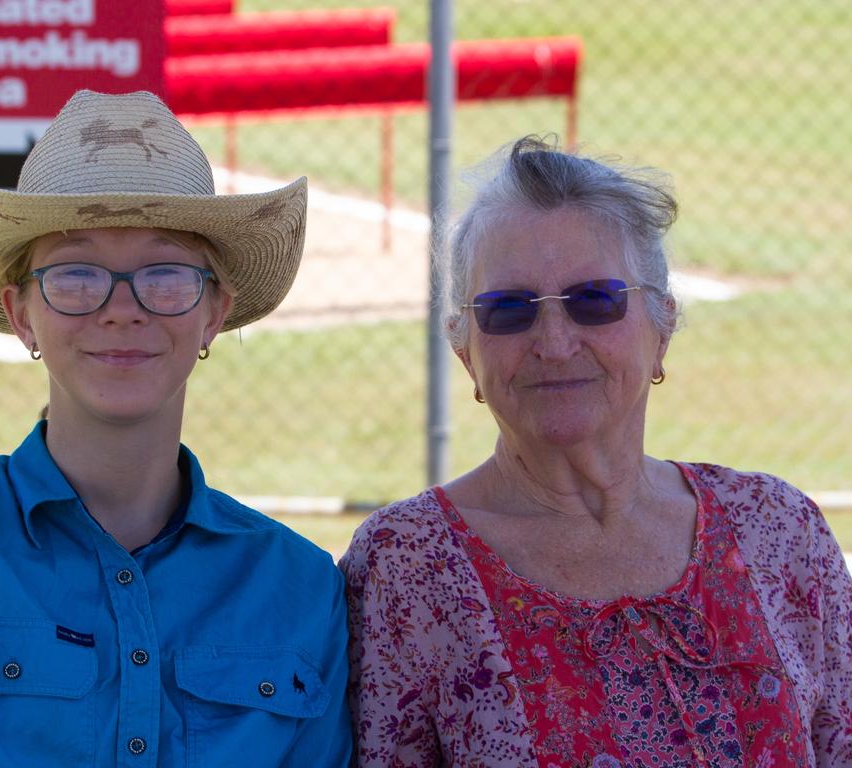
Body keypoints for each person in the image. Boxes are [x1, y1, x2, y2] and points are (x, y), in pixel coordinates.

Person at [0, 90, 351, 767]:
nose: (121, 309)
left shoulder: (298, 588)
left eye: (164, 275)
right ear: (22, 315)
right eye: (76, 275)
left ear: (214, 313)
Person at [341, 136, 852, 766]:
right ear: (466, 352)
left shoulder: (779, 532)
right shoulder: (408, 568)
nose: (554, 342)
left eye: (595, 301)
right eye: (508, 310)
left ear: (661, 327)